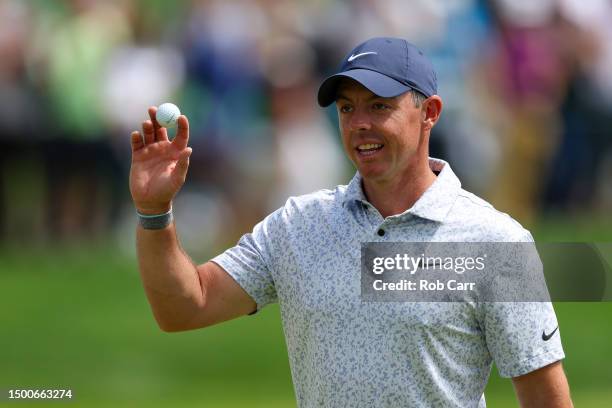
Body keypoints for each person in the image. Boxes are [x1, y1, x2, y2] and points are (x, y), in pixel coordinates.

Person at [129, 37, 573, 407]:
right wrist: (154, 211)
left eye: (379, 107)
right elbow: (185, 307)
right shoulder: (297, 226)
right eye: (346, 109)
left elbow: (545, 397)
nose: (359, 124)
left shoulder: (496, 243)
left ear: (430, 112)